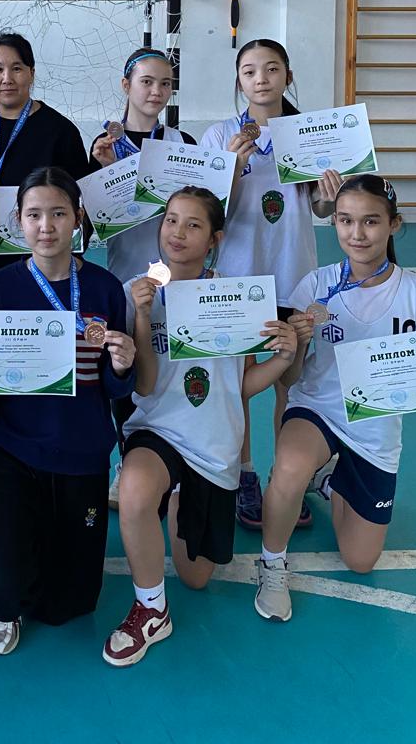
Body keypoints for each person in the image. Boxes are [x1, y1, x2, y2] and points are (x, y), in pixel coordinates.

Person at [101, 188, 298, 667]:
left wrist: (284, 357)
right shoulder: (136, 292)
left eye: (193, 225)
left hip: (214, 444)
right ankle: (152, 610)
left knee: (196, 577)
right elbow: (144, 386)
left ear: (214, 240)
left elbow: (243, 385)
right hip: (157, 431)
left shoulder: (237, 298)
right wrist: (142, 316)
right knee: (134, 491)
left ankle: (178, 497)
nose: (178, 233)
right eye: (171, 220)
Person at [254, 175, 416, 623]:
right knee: (289, 468)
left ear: (394, 225)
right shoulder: (314, 286)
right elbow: (290, 379)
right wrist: (296, 344)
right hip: (317, 410)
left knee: (361, 560)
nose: (357, 233)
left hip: (375, 425)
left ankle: (333, 482)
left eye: (370, 221)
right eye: (346, 220)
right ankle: (272, 565)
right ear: (335, 223)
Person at [0, 167, 135, 655]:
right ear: (18, 220)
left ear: (77, 217)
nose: (46, 226)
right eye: (33, 215)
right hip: (15, 450)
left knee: (70, 603)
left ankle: (26, 551)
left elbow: (114, 388)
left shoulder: (105, 288)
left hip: (81, 452)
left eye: (58, 213)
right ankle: (0, 575)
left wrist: (121, 366)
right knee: (6, 589)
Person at [200, 38, 342, 530]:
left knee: (290, 384)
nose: (261, 79)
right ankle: (243, 475)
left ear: (287, 76)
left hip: (294, 275)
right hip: (238, 278)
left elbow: (319, 209)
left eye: (271, 69)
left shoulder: (306, 134)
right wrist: (231, 169)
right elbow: (209, 210)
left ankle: (288, 478)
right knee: (236, 384)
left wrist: (329, 195)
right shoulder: (220, 135)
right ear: (239, 81)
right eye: (249, 71)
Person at [0, 34, 89, 505]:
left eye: (16, 68)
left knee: (47, 356)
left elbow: (81, 203)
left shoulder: (60, 132)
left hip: (48, 271)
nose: (7, 78)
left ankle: (51, 452)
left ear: (31, 73)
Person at [88, 46, 196, 507]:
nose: (156, 91)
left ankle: (178, 463)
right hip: (125, 278)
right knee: (126, 371)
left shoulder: (182, 142)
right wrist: (103, 170)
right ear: (126, 85)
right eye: (147, 81)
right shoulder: (103, 145)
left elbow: (200, 206)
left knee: (170, 371)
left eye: (165, 83)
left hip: (179, 280)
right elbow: (91, 221)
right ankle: (128, 461)